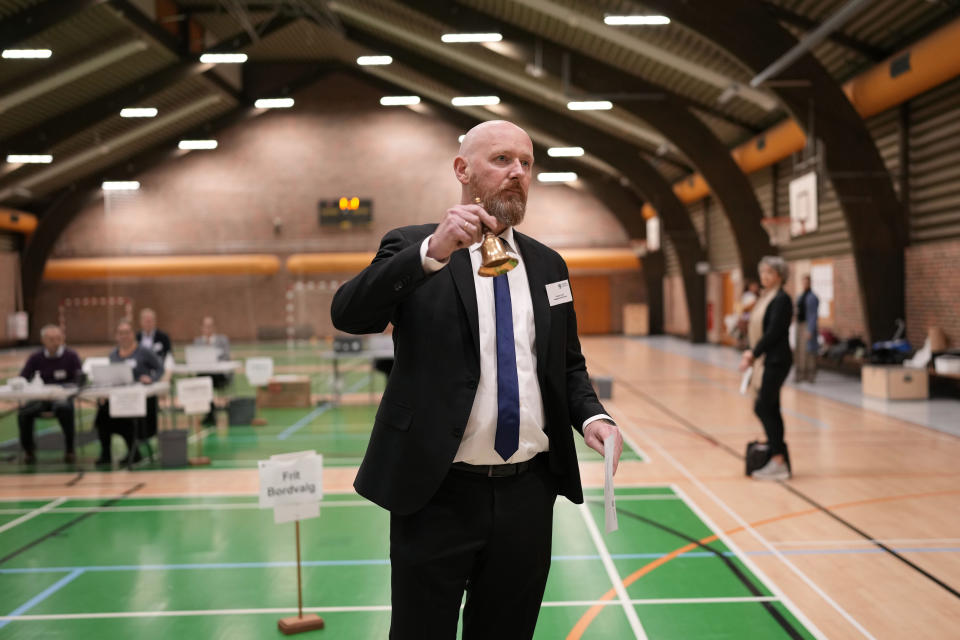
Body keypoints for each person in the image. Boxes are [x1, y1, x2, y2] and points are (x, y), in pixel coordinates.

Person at [331, 120, 623, 640]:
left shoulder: (548, 264)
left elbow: (567, 364)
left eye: (527, 163)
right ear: (462, 170)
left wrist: (592, 416)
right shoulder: (413, 246)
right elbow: (349, 315)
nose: (517, 173)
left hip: (528, 494)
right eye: (502, 160)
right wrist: (432, 254)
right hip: (437, 490)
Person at [740, 256, 793, 481]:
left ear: (780, 276)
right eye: (762, 272)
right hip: (767, 361)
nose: (764, 277)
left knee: (763, 406)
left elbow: (773, 332)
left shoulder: (782, 300)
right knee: (771, 408)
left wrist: (753, 353)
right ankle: (778, 456)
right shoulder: (765, 297)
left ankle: (779, 459)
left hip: (776, 360)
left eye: (770, 273)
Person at [95, 320, 164, 465]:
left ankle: (134, 452)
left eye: (127, 333)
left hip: (140, 399)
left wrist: (151, 379)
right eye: (120, 333)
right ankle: (106, 453)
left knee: (126, 416)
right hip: (119, 397)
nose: (124, 336)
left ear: (133, 334)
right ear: (116, 336)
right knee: (102, 414)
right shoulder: (113, 355)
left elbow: (160, 368)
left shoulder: (144, 351)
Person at [17, 324, 82, 464]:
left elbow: (79, 379)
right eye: (51, 339)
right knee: (24, 413)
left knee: (65, 409)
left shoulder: (71, 356)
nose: (55, 342)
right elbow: (23, 377)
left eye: (58, 338)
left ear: (63, 339)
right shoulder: (35, 358)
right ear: (43, 340)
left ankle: (70, 450)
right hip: (40, 399)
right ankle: (29, 451)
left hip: (61, 398)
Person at [194, 316, 231, 425]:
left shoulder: (222, 340)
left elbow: (226, 357)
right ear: (202, 328)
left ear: (214, 328)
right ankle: (210, 411)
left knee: (207, 379)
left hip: (219, 375)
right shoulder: (198, 342)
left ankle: (211, 412)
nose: (208, 329)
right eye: (206, 326)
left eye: (210, 326)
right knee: (203, 379)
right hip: (204, 374)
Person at [794, 275, 819, 382]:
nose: (805, 284)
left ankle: (810, 374)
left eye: (806, 282)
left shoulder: (813, 297)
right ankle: (800, 374)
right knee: (799, 350)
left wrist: (810, 329)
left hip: (807, 325)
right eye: (803, 282)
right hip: (799, 324)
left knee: (808, 351)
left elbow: (813, 315)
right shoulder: (800, 296)